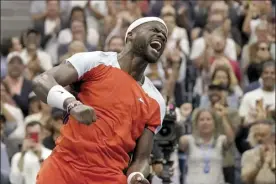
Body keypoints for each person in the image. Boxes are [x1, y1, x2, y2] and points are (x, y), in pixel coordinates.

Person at [33, 17, 168, 184]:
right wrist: (72, 104)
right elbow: (41, 81)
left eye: (164, 36)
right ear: (131, 35)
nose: (161, 35)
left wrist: (136, 176)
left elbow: (141, 159)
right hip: (63, 168)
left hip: (109, 177)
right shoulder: (95, 61)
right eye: (155, 30)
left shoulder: (156, 101)